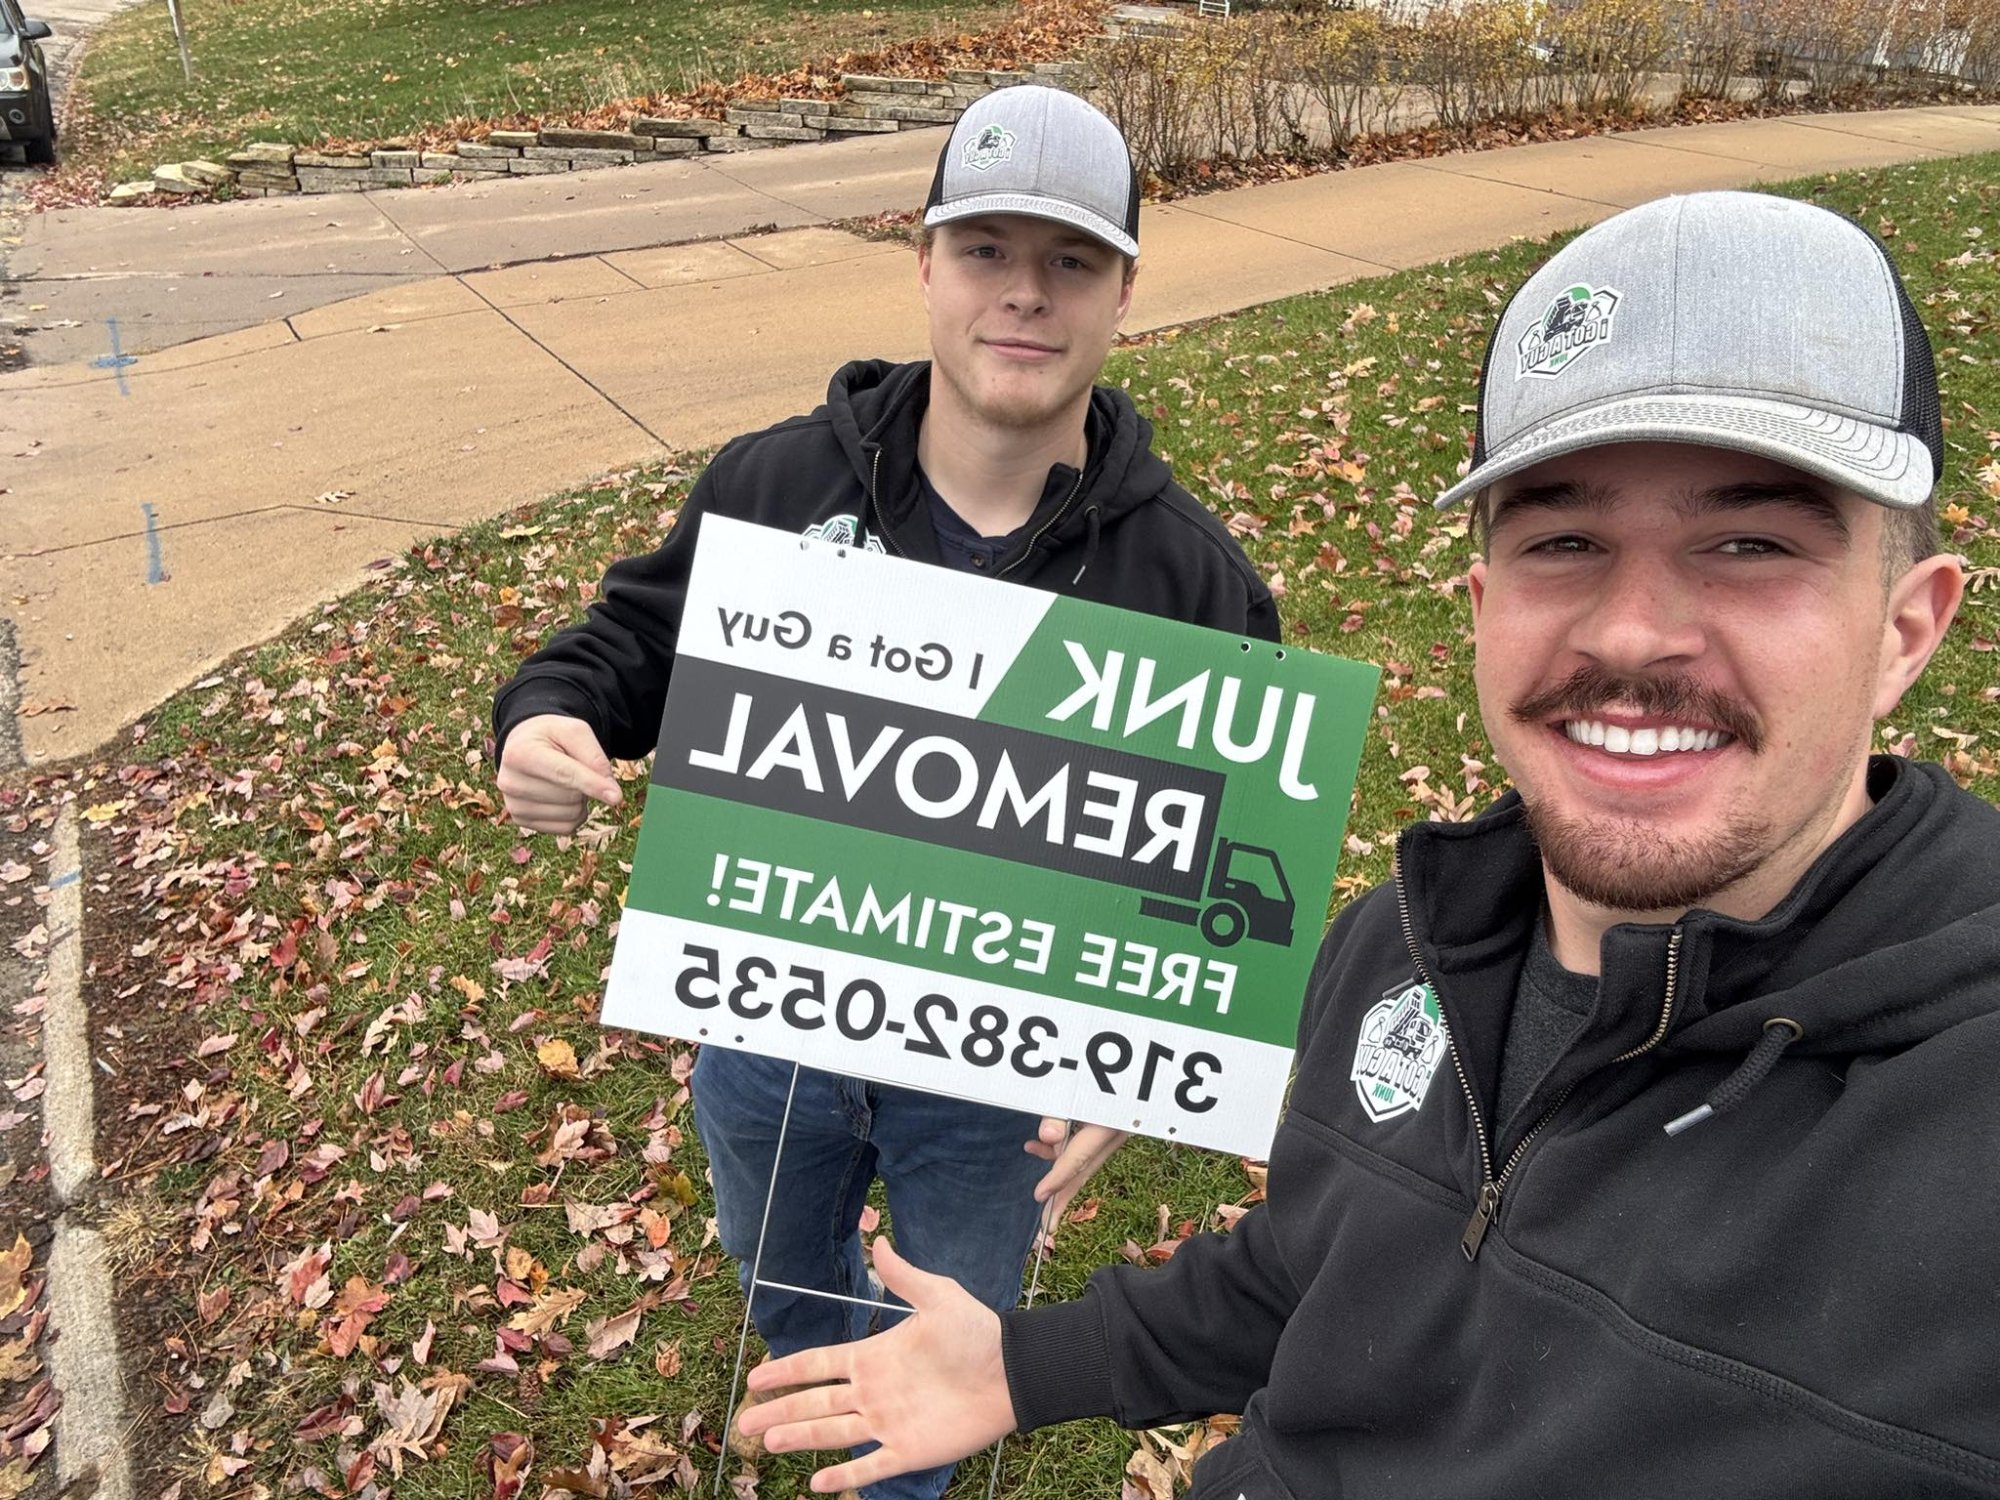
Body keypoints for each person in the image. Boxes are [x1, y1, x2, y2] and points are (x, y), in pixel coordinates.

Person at [735, 190, 2000, 1498]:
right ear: (1482, 604)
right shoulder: (1402, 941)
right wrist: (1025, 1367)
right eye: (1564, 540)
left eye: (1749, 543)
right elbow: (1312, 1264)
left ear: (1908, 627)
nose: (1633, 634)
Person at [492, 86, 1281, 1500]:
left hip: (996, 1085)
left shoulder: (1191, 582)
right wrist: (549, 716)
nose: (1023, 296)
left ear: (1122, 292)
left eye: (1071, 262)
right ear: (923, 261)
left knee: (941, 1332)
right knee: (783, 1277)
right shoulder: (778, 485)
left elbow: (1230, 853)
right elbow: (628, 647)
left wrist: (1146, 1043)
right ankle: (808, 1400)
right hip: (769, 1031)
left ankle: (892, 1479)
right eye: (985, 250)